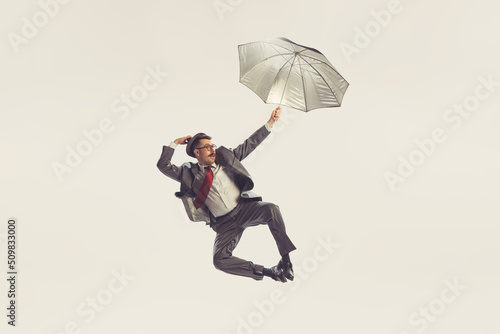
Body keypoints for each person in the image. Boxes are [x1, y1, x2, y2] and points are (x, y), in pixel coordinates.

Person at [157, 107, 297, 282]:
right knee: (219, 260)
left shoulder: (225, 158)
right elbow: (163, 166)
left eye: (212, 145)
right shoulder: (188, 173)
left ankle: (286, 262)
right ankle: (271, 272)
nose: (212, 149)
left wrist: (270, 123)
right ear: (197, 152)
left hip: (244, 209)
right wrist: (175, 142)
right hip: (224, 224)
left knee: (271, 209)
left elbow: (250, 144)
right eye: (207, 147)